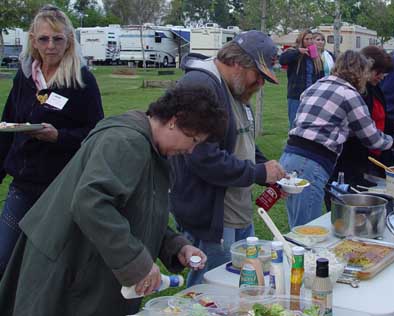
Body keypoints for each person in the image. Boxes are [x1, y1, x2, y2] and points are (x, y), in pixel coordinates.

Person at [0, 85, 227, 315]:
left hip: (85, 266)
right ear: (175, 120)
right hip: (65, 269)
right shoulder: (126, 141)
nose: (190, 150)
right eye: (193, 140)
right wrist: (136, 261)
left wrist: (176, 246)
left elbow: (136, 211)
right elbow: (91, 203)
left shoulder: (148, 147)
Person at [171, 30, 286, 286]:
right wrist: (258, 173)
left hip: (236, 210)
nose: (260, 84)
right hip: (212, 215)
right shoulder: (201, 87)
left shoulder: (233, 90)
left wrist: (270, 172)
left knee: (239, 284)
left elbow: (242, 142)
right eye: (258, 75)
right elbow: (203, 158)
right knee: (210, 288)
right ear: (237, 63)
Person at [0, 5, 104, 276]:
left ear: (69, 40)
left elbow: (97, 134)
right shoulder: (24, 78)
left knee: (50, 266)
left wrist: (59, 136)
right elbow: (7, 127)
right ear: (33, 40)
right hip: (23, 185)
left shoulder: (82, 81)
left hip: (62, 188)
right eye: (44, 39)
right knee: (4, 258)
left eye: (58, 39)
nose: (51, 46)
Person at [280, 50, 394, 228]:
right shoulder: (349, 94)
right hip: (312, 162)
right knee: (306, 231)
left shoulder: (318, 85)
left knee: (298, 223)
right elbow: (372, 139)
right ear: (361, 72)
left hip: (290, 156)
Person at [333, 45, 394, 186]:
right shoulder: (356, 93)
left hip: (372, 155)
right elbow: (366, 132)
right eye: (378, 72)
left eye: (384, 73)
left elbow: (380, 119)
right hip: (352, 160)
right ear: (366, 69)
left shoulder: (374, 88)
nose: (381, 77)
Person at [279, 30, 325, 127]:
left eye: (311, 39)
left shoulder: (315, 56)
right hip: (296, 95)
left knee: (310, 123)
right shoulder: (294, 52)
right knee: (294, 123)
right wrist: (298, 51)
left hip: (312, 95)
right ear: (301, 40)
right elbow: (282, 60)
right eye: (307, 39)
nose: (309, 41)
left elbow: (321, 75)